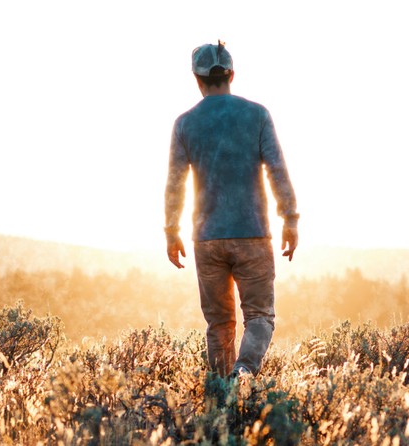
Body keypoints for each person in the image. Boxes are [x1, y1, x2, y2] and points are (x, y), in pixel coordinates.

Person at [164, 41, 299, 378]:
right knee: (260, 317)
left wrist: (171, 231)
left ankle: (223, 398)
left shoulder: (184, 124)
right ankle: (244, 372)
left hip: (207, 239)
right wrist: (290, 219)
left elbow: (175, 184)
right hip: (252, 233)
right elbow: (277, 170)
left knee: (219, 323)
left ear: (196, 79)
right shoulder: (257, 115)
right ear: (232, 75)